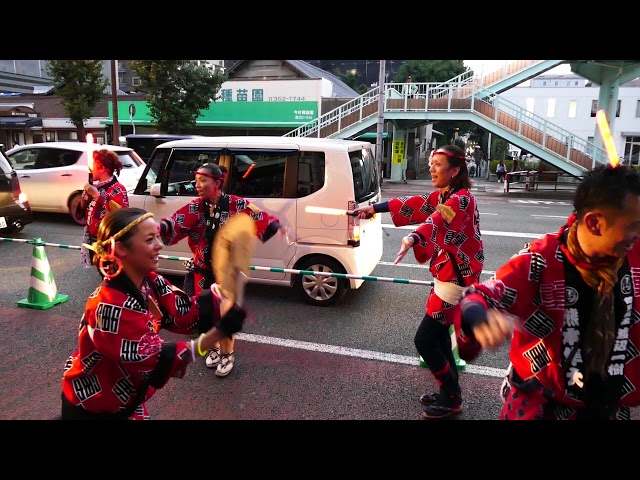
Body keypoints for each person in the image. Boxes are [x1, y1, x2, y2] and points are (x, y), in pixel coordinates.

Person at [458, 163, 640, 420]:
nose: (637, 234)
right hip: (541, 407)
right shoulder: (542, 259)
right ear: (595, 223)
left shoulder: (634, 257)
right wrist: (481, 319)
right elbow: (480, 296)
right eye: (634, 225)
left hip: (610, 407)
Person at [61, 207, 247, 420]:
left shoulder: (149, 281)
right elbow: (153, 359)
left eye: (158, 237)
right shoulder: (110, 306)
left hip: (127, 402)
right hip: (93, 409)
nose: (159, 245)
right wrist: (219, 332)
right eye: (150, 240)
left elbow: (182, 312)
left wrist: (223, 297)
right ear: (120, 248)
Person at [351, 145, 484, 419]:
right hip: (449, 275)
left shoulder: (460, 201)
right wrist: (372, 208)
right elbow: (415, 203)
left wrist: (414, 238)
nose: (432, 168)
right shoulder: (447, 195)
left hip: (455, 279)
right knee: (439, 339)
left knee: (424, 340)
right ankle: (450, 392)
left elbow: (436, 220)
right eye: (431, 163)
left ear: (455, 170)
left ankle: (452, 396)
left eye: (437, 164)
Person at [158, 163, 286, 377]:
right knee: (206, 314)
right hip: (201, 272)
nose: (197, 185)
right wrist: (159, 227)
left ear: (217, 183)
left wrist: (276, 226)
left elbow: (257, 217)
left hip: (227, 274)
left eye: (202, 180)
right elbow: (174, 223)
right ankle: (214, 348)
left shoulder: (236, 204)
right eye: (196, 180)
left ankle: (228, 354)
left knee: (226, 315)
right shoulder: (195, 207)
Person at [80, 149, 130, 270]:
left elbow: (120, 218)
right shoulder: (95, 187)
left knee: (112, 276)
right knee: (102, 273)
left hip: (110, 243)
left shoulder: (118, 189)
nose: (91, 169)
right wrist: (84, 199)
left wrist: (97, 196)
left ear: (102, 168)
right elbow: (82, 214)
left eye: (93, 166)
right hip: (95, 240)